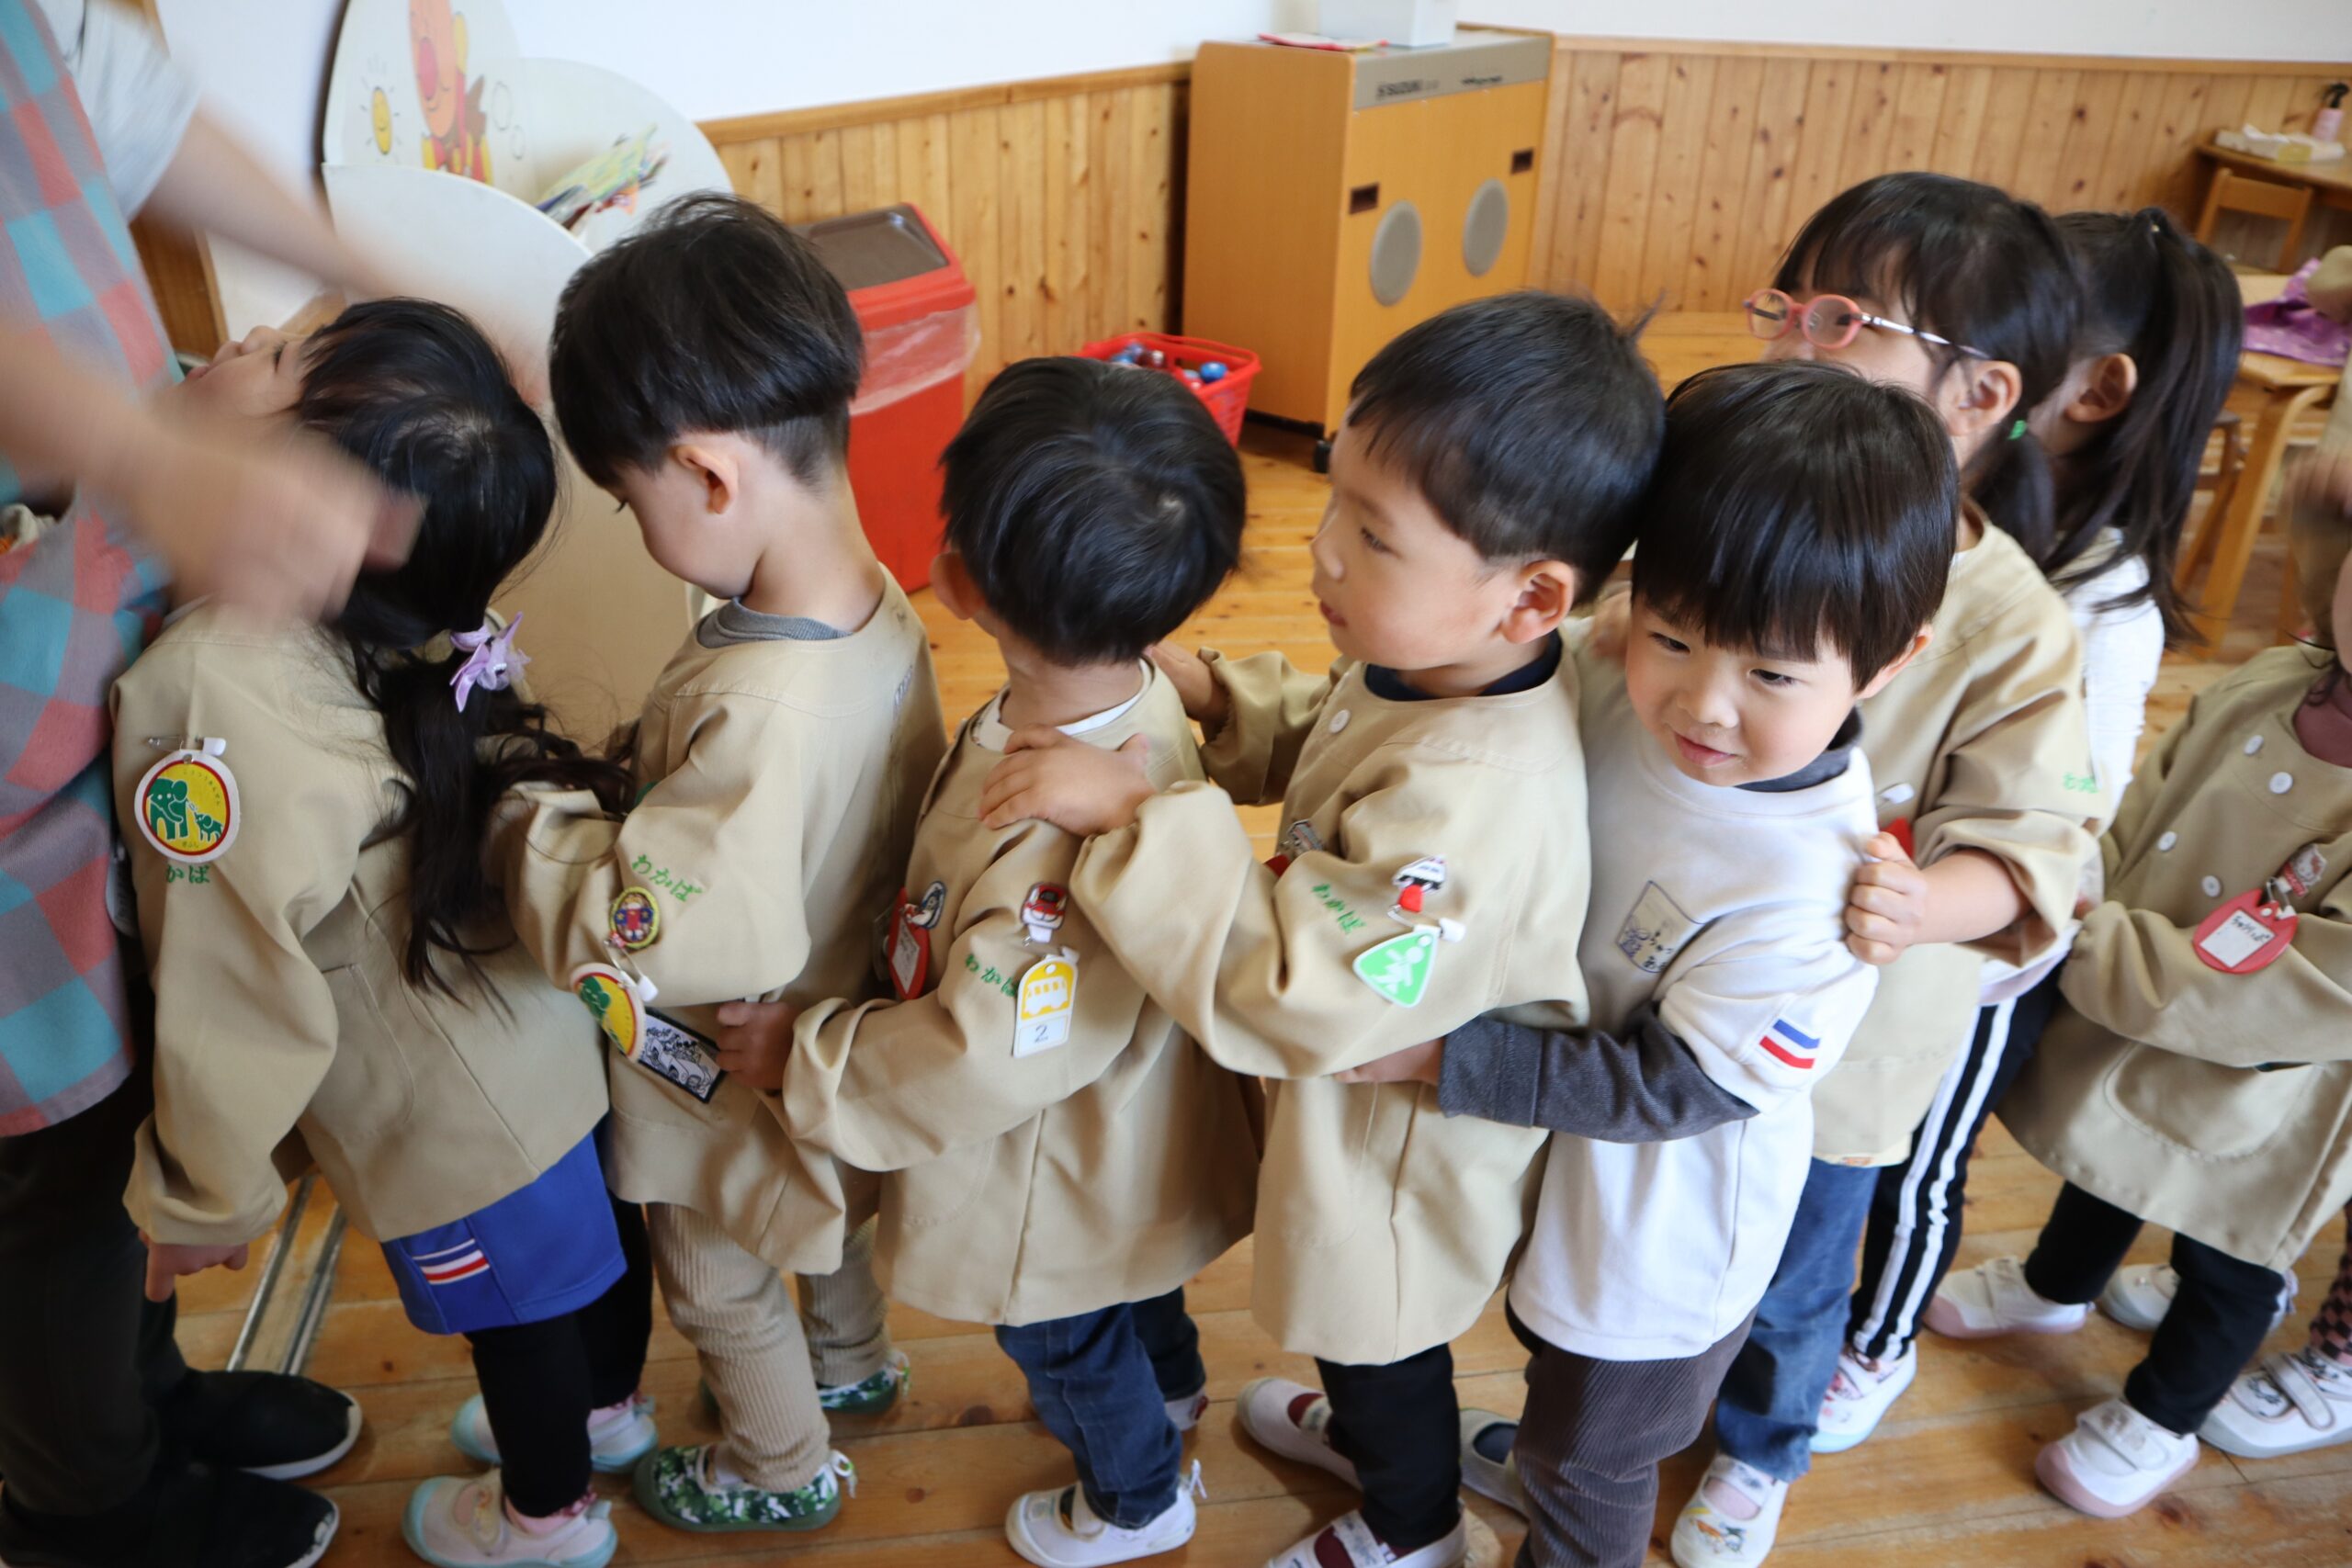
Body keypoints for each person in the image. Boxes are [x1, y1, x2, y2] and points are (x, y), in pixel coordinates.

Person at [979, 291, 1666, 1568]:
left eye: (1374, 535)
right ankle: (1375, 1445)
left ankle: (1413, 1525)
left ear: (1532, 596)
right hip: (1368, 1118)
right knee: (1359, 1335)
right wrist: (1217, 692)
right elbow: (1334, 726)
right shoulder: (1452, 661)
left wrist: (1136, 816)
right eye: (1334, 497)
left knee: (1378, 1333)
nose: (1325, 552)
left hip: (1402, 1155)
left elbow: (1299, 987)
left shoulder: (1476, 799)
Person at [1340, 359, 1955, 1568]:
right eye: (1671, 634)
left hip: (1661, 1246)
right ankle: (1520, 1457)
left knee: (1595, 1456)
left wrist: (1447, 1057)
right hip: (1558, 1174)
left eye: (1771, 673)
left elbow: (1683, 1087)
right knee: (1551, 1394)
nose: (1703, 703)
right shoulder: (1616, 671)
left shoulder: (1817, 891)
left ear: (1888, 661)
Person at [112, 299, 653, 1568]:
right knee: (588, 1250)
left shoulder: (207, 683)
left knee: (518, 1312)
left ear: (310, 503)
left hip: (449, 1110)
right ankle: (607, 1413)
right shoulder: (398, 617)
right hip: (538, 1040)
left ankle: (546, 1515)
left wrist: (204, 1195)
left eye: (278, 356)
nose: (239, 340)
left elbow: (229, 977)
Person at [717, 356, 1261, 1567]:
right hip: (1127, 1126)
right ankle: (1171, 1389)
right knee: (1137, 1280)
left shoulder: (1048, 845)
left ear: (957, 580)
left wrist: (808, 1051)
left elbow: (982, 1051)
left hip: (1054, 1165)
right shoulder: (1138, 697)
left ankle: (1137, 1496)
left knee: (1061, 1334)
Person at [0, 6, 406, 1565]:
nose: (246, 341)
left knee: (91, 1151)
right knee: (45, 1195)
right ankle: (83, 1500)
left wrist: (375, 267)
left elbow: (124, 104)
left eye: (286, 355)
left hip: (73, 660)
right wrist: (151, 462)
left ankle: (143, 1396)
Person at [491, 193, 945, 1537]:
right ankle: (852, 1363)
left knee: (719, 1272)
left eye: (629, 502)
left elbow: (650, 929)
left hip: (720, 1074)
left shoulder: (758, 707)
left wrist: (528, 830)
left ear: (704, 473)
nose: (638, 530)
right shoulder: (879, 600)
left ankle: (779, 1459)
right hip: (838, 1011)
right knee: (827, 1211)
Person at [1667, 172, 2098, 1568]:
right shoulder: (1719, 509)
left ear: (1979, 396)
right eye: (1787, 305)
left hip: (1839, 1046)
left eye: (1845, 319)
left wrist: (1929, 901)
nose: (1794, 338)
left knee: (1802, 1277)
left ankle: (1760, 1449)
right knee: (1667, 1231)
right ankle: (1642, 1411)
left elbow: (2037, 852)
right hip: (1670, 989)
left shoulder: (2013, 623)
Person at [1824, 208, 2247, 1445]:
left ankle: (1877, 1342)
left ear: (2090, 387)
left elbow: (2064, 824)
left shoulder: (2099, 605)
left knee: (1917, 1166)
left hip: (1979, 962)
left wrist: (1952, 889)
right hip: (1881, 920)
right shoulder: (1967, 506)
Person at [1967, 498, 2352, 1517]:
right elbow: (2150, 803)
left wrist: (2097, 948)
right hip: (2142, 985)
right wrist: (2091, 882)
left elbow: (2317, 987)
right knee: (2110, 1156)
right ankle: (2055, 1286)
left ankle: (2164, 1415)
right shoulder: (2273, 681)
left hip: (2266, 1071)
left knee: (2229, 1246)